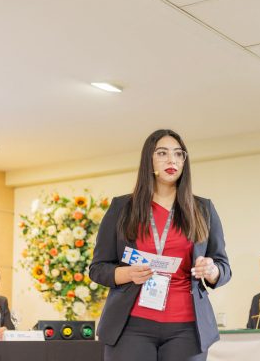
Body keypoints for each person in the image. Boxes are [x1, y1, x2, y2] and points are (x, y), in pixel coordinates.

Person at [89, 129, 231, 361]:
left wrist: (212, 270)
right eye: (162, 153)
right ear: (149, 160)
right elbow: (98, 268)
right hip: (130, 326)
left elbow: (223, 267)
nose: (171, 160)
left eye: (178, 154)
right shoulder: (122, 208)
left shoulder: (203, 209)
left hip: (187, 329)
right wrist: (127, 273)